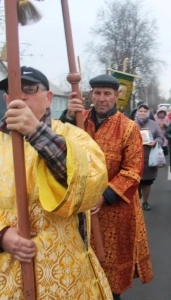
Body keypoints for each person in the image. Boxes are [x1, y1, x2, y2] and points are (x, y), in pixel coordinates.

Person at [0, 66, 113, 299]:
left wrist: (35, 132)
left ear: (49, 98)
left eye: (30, 89)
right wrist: (1, 236)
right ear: (6, 99)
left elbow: (89, 186)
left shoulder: (73, 136)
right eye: (13, 90)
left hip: (66, 277)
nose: (21, 96)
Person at [60, 74, 153, 300]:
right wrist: (67, 118)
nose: (102, 99)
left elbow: (132, 171)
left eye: (107, 94)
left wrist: (103, 196)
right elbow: (58, 145)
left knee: (111, 272)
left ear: (116, 96)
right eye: (98, 93)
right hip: (79, 208)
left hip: (115, 211)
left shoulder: (128, 128)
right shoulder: (79, 119)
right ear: (91, 95)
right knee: (81, 270)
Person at [135, 103, 164, 211]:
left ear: (148, 113)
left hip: (150, 158)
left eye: (145, 111)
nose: (142, 113)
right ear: (138, 112)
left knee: (147, 182)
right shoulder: (132, 124)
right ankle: (137, 201)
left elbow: (160, 137)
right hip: (135, 158)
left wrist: (155, 142)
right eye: (141, 111)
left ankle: (145, 202)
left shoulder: (153, 124)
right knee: (136, 182)